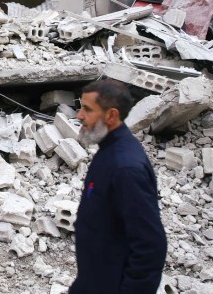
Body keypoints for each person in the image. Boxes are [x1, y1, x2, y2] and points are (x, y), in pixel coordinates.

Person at [70, 79, 167, 294]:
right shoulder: (109, 150)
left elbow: (150, 246)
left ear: (111, 115)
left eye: (87, 109)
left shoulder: (126, 168)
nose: (80, 116)